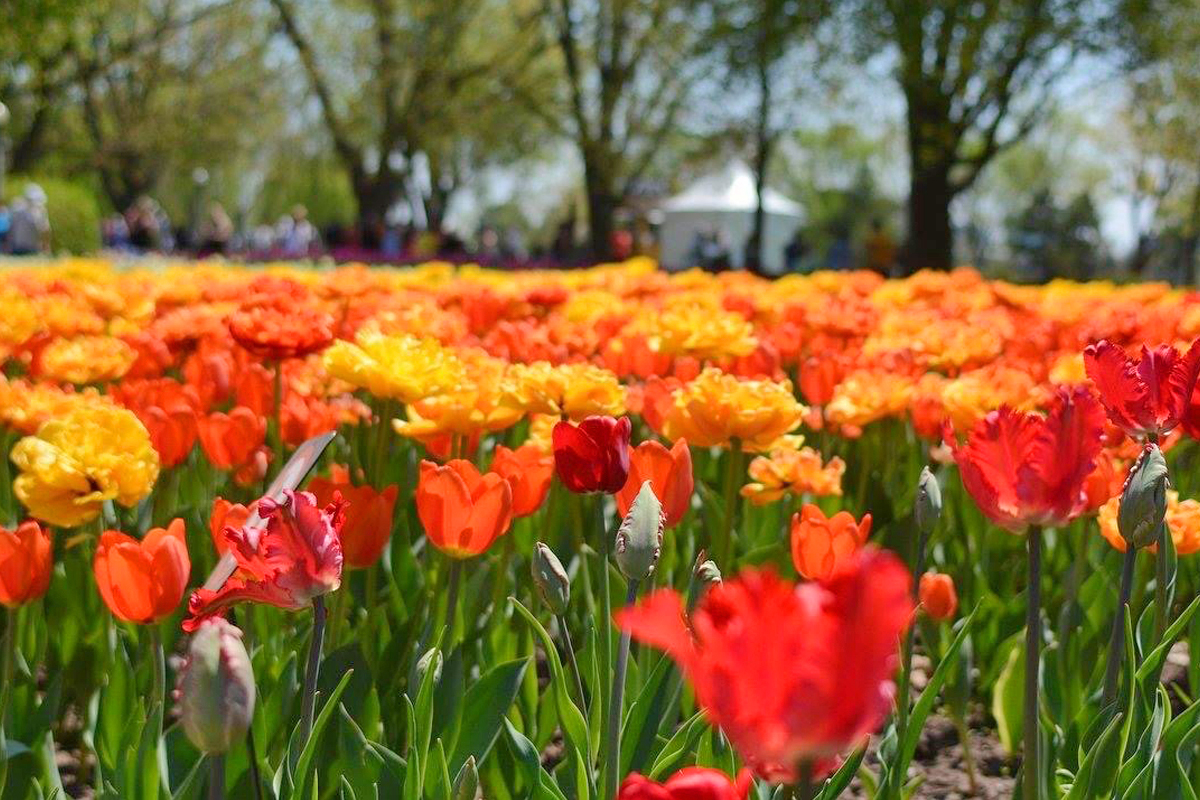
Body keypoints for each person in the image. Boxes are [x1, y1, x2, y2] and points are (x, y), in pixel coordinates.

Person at [7, 185, 50, 255]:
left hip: (31, 249)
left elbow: (45, 230)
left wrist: (45, 247)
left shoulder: (40, 211)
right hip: (18, 248)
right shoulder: (17, 210)